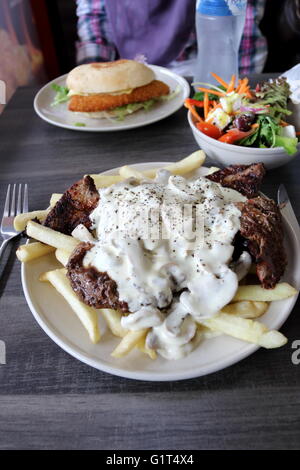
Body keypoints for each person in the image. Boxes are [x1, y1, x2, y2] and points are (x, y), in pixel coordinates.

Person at [75, 0, 268, 76]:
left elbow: (242, 27)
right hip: (125, 70)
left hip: (196, 69)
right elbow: (94, 18)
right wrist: (94, 75)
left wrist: (237, 93)